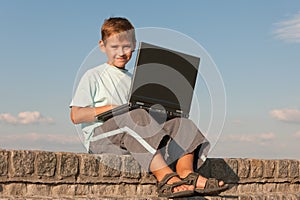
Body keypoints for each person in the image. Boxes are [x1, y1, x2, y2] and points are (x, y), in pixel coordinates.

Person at [70, 17, 228, 198]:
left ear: (134, 45)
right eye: (114, 47)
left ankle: (186, 174)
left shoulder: (135, 79)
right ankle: (166, 177)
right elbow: (76, 115)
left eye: (126, 46)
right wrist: (115, 109)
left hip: (134, 136)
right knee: (135, 116)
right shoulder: (93, 75)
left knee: (181, 123)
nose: (121, 52)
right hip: (102, 139)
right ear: (102, 45)